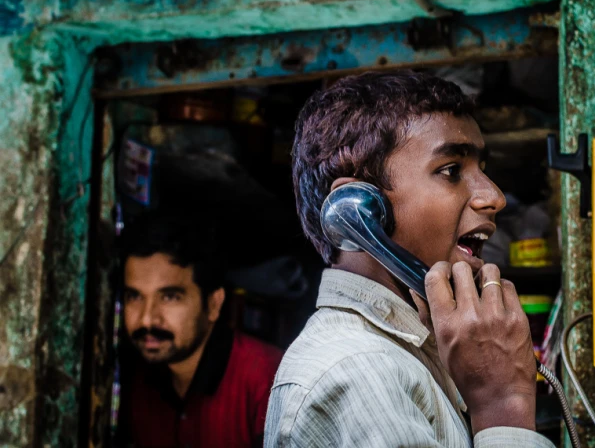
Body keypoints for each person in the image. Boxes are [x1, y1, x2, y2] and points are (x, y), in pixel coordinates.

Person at [264, 71, 555, 447]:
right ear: (357, 212)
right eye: (451, 170)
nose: (493, 196)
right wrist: (502, 406)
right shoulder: (357, 372)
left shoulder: (418, 353)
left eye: (482, 170)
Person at [119, 211, 282, 447]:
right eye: (134, 296)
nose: (146, 320)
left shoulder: (267, 379)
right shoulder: (138, 381)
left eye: (170, 297)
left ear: (214, 304)